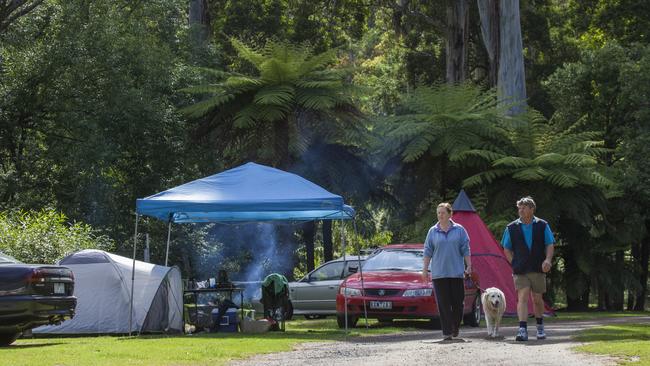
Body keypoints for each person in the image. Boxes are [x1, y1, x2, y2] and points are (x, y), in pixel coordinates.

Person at [501, 196, 555, 341]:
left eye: (523, 208)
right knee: (522, 297)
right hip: (521, 270)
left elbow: (549, 244)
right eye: (519, 208)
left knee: (537, 299)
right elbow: (506, 248)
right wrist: (514, 263)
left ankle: (540, 327)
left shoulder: (542, 225)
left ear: (532, 209)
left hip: (538, 268)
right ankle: (522, 330)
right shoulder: (511, 227)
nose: (520, 210)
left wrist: (548, 260)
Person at [422, 202, 472, 341]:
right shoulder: (433, 231)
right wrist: (425, 270)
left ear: (450, 214)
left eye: (443, 212)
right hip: (439, 274)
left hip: (456, 272)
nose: (440, 215)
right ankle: (446, 332)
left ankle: (455, 326)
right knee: (443, 305)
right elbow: (427, 251)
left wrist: (469, 266)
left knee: (458, 303)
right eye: (438, 213)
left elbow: (465, 249)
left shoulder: (460, 230)